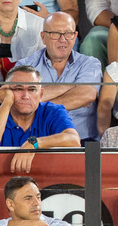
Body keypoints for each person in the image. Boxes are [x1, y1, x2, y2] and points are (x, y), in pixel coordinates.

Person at [0, 66, 81, 176]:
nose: (26, 96)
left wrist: (34, 143)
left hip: (45, 183)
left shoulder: (53, 111)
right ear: (5, 91)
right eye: (18, 89)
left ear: (41, 94)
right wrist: (7, 102)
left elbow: (74, 140)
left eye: (32, 89)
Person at [14, 12, 101, 143]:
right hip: (34, 141)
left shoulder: (90, 63)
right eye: (56, 33)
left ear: (75, 36)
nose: (63, 39)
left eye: (68, 33)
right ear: (43, 37)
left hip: (82, 141)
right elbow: (18, 101)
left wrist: (35, 105)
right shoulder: (24, 65)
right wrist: (72, 86)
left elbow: (86, 95)